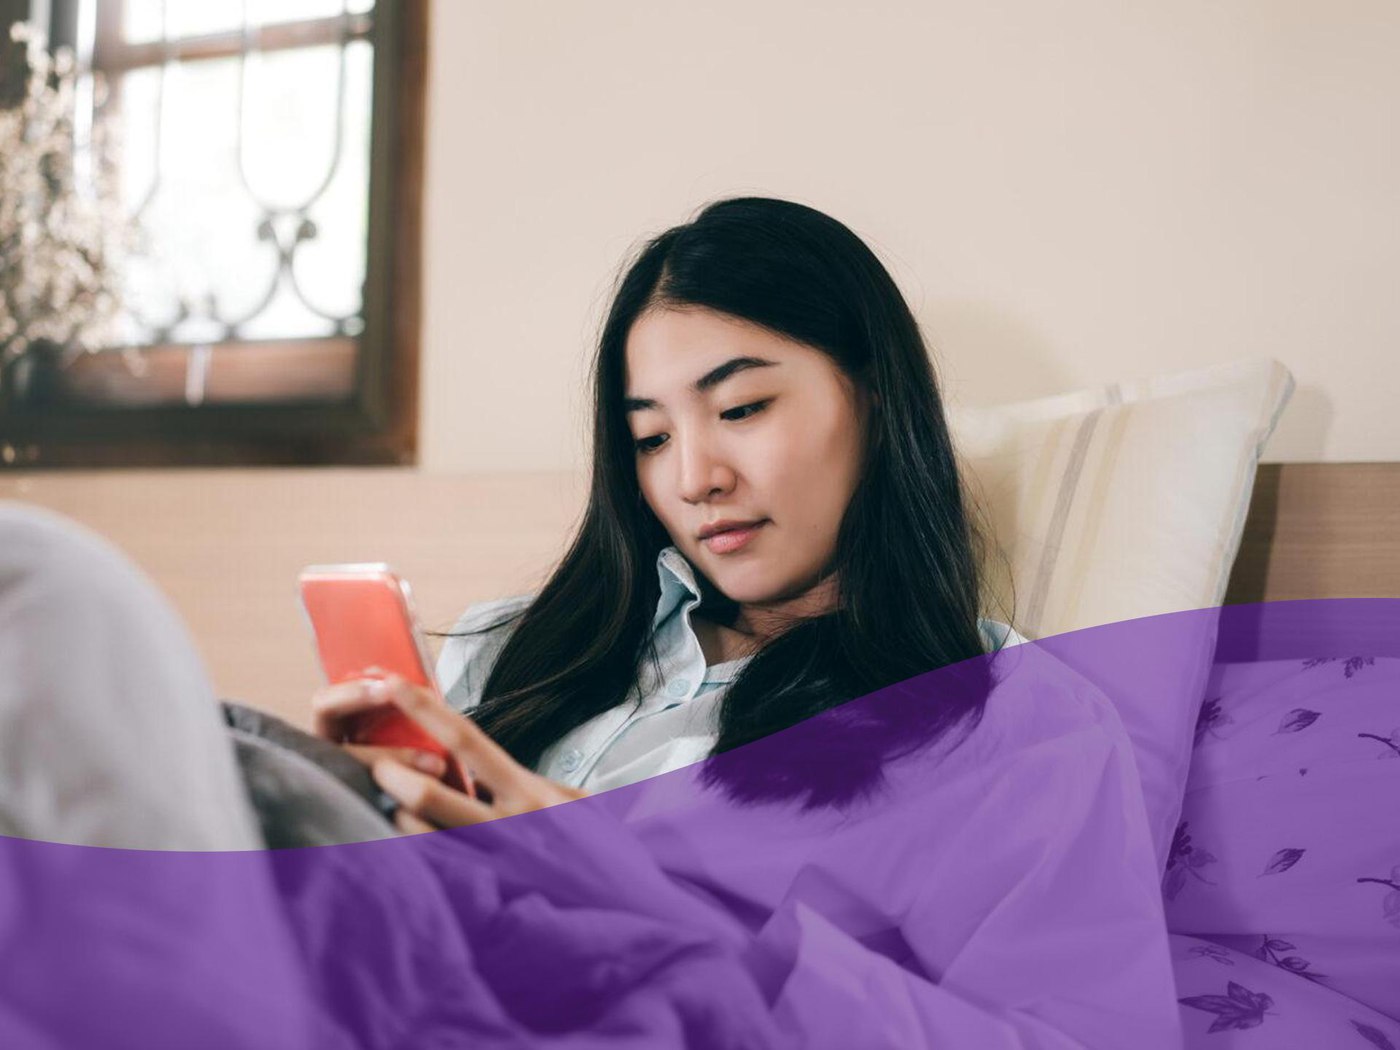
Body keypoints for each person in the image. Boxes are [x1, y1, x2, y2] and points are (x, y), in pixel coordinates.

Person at [0, 196, 1184, 1048]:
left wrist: (630, 887)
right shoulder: (522, 648)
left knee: (46, 589)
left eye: (742, 407)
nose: (695, 475)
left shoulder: (1013, 725)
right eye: (651, 436)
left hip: (575, 1006)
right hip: (376, 947)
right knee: (207, 739)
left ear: (874, 399)